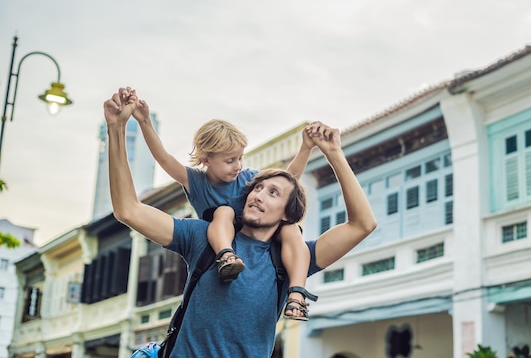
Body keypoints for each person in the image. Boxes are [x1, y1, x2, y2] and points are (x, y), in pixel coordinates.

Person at [104, 87, 377, 358]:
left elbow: (362, 224)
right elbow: (128, 209)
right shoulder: (203, 236)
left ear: (286, 213)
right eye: (257, 188)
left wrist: (334, 153)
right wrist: (116, 130)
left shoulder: (292, 258)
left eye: (273, 193)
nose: (258, 194)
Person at [131, 96, 317, 319]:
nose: (238, 166)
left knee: (291, 229)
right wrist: (145, 122)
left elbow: (287, 182)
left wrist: (306, 147)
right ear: (206, 159)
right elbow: (164, 159)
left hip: (258, 236)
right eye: (230, 161)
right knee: (224, 211)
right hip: (220, 243)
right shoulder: (197, 182)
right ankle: (226, 256)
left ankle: (297, 294)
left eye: (240, 158)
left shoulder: (248, 178)